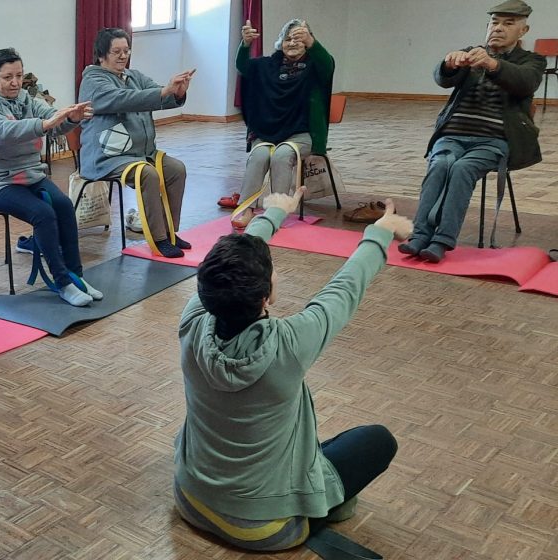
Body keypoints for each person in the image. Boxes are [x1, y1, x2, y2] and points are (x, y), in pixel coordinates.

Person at [174, 186, 411, 551]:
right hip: (265, 529)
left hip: (190, 500)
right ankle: (325, 505)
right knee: (376, 440)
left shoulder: (193, 317)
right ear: (265, 295)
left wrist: (274, 214)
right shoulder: (290, 341)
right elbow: (345, 287)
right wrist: (381, 231)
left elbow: (227, 265)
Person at [401, 0, 543, 263]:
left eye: (508, 24)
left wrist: (492, 64)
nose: (498, 28)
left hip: (493, 141)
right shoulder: (471, 52)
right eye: (494, 22)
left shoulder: (532, 61)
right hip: (452, 135)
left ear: (523, 31)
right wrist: (448, 64)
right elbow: (443, 79)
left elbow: (525, 83)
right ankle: (420, 235)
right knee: (441, 163)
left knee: (462, 168)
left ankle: (442, 241)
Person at [0, 48, 101, 307]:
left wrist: (70, 118)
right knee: (43, 213)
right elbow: (3, 132)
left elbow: (53, 119)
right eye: (8, 77)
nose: (15, 82)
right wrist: (45, 124)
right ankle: (62, 282)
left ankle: (77, 277)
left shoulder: (26, 99)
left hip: (29, 175)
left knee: (63, 205)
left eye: (18, 75)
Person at [78, 27, 195, 258]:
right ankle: (159, 239)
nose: (123, 56)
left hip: (140, 153)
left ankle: (170, 232)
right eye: (116, 52)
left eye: (126, 50)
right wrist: (163, 91)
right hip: (106, 158)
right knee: (147, 174)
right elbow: (123, 99)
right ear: (101, 55)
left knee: (176, 169)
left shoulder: (134, 76)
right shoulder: (93, 80)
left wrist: (177, 92)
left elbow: (161, 97)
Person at [227, 19, 334, 229]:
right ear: (280, 43)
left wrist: (313, 42)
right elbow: (244, 67)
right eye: (287, 39)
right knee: (259, 155)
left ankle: (277, 210)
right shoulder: (268, 65)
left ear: (307, 43)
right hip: (268, 132)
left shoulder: (315, 68)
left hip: (302, 133)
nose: (292, 43)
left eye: (298, 39)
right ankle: (246, 206)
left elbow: (328, 64)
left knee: (282, 155)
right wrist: (245, 44)